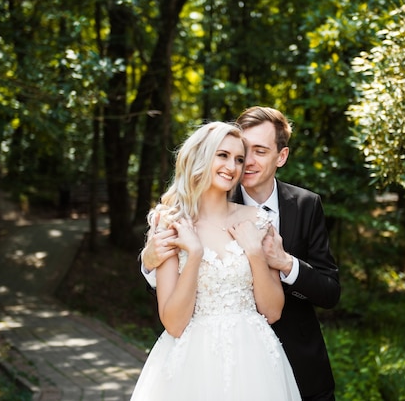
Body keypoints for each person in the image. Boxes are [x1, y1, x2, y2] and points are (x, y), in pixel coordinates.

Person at [141, 107, 341, 401]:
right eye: (230, 154)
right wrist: (159, 259)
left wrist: (276, 259)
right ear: (203, 156)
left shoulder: (293, 209)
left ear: (280, 156)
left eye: (255, 152)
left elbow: (326, 291)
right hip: (196, 363)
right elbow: (166, 294)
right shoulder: (179, 217)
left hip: (272, 362)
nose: (242, 163)